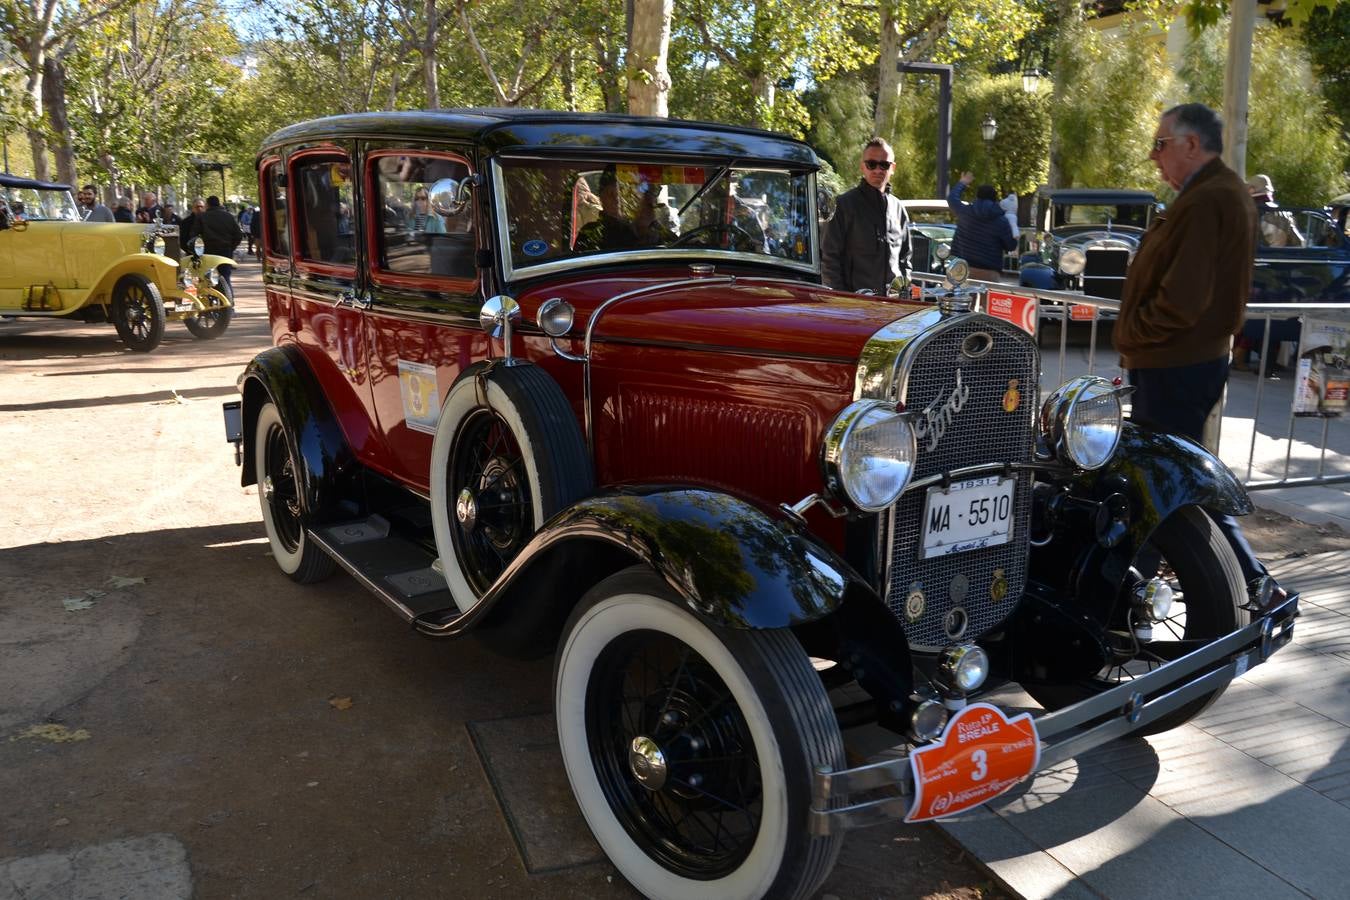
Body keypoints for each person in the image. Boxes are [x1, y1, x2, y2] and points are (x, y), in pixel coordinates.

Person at [1112, 101, 1286, 613]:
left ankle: (1252, 585)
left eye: (1161, 144)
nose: (1153, 156)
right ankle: (1133, 589)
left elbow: (1181, 301)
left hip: (1175, 364)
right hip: (1177, 362)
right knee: (1170, 481)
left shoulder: (1211, 198)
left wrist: (1132, 336)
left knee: (1171, 483)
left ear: (1192, 144)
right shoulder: (1211, 194)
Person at [821, 137, 912, 295]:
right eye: (871, 164)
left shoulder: (898, 208)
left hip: (893, 305)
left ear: (893, 168)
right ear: (863, 167)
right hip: (856, 306)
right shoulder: (843, 205)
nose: (877, 170)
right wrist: (842, 299)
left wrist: (904, 291)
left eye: (884, 165)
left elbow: (905, 259)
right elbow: (829, 259)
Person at [947, 172, 1017, 282]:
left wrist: (963, 183)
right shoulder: (1001, 220)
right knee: (987, 298)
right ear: (995, 199)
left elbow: (952, 199)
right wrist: (1015, 236)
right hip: (990, 269)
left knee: (963, 297)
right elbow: (1010, 246)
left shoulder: (965, 212)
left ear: (977, 196)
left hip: (963, 267)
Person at [575, 167, 637, 252]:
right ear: (601, 198)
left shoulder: (631, 228)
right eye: (611, 194)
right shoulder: (590, 231)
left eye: (618, 194)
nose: (616, 199)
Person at [196, 195, 243, 291]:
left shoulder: (202, 217)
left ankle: (212, 300)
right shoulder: (228, 216)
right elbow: (238, 235)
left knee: (208, 278)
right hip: (225, 250)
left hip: (208, 251)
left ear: (207, 205)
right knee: (225, 277)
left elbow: (194, 235)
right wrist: (231, 246)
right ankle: (229, 302)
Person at [1248, 174, 1303, 248]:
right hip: (1279, 258)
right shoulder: (1285, 214)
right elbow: (1298, 242)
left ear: (1251, 190)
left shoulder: (1243, 213)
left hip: (1248, 258)